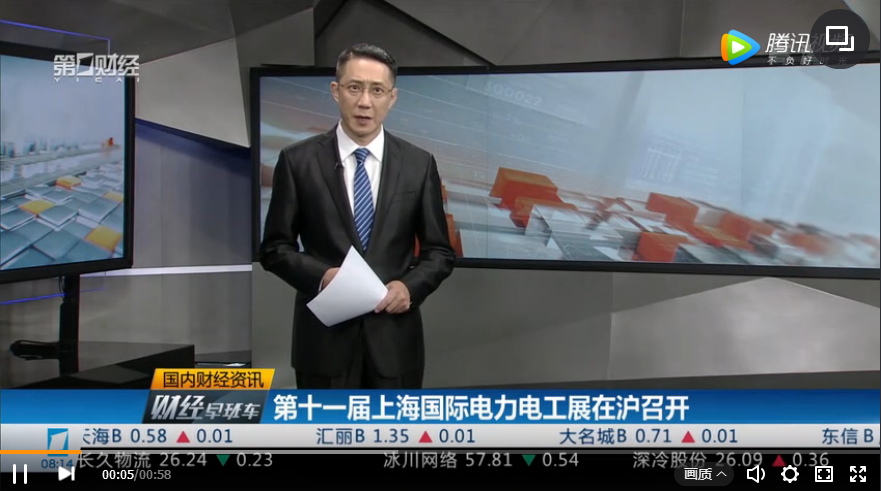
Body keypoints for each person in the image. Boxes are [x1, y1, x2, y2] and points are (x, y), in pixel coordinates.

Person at [260, 43, 455, 390]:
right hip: (323, 346)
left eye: (377, 90)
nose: (365, 102)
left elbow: (439, 251)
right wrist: (323, 277)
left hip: (395, 345)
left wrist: (409, 287)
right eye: (354, 87)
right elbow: (275, 248)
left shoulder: (419, 164)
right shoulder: (297, 161)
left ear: (392, 98)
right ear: (336, 91)